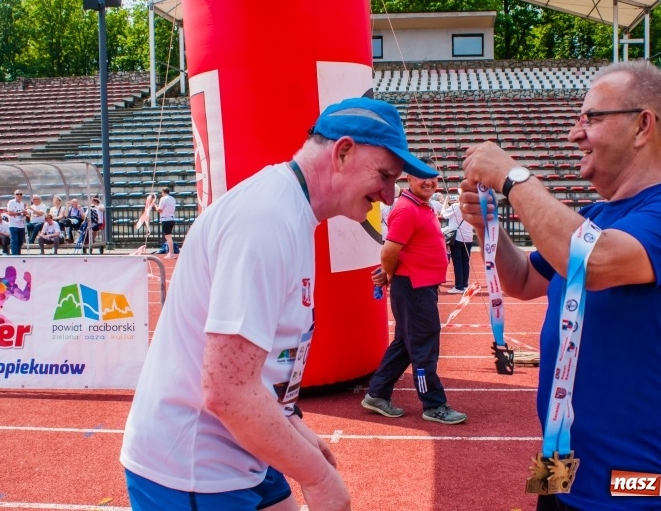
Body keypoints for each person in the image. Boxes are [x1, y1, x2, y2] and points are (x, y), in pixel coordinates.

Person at [120, 97, 436, 511]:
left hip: (235, 444)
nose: (390, 195)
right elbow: (228, 392)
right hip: (194, 467)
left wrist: (294, 429)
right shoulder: (267, 220)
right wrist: (318, 478)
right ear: (343, 152)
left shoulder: (289, 209)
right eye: (384, 176)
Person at [459, 61, 661, 510]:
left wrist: (515, 178)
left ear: (643, 125)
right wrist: (491, 229)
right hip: (559, 464)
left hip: (639, 485)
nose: (574, 134)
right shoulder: (597, 216)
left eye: (591, 118)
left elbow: (596, 262)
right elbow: (523, 279)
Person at [363, 156, 467, 425]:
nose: (429, 181)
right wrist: (388, 274)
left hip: (419, 287)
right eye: (422, 175)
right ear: (408, 178)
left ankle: (377, 394)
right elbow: (389, 251)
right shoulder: (407, 209)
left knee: (405, 344)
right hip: (414, 288)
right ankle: (433, 404)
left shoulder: (422, 205)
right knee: (423, 347)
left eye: (433, 176)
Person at [441, 191, 474, 294]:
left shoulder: (456, 206)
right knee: (465, 262)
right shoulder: (473, 207)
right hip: (468, 237)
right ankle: (464, 285)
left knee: (458, 263)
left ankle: (459, 286)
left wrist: (445, 202)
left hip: (457, 237)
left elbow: (443, 214)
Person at [154, 187, 177, 259]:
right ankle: (171, 252)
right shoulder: (172, 198)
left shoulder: (163, 199)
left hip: (166, 219)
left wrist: (155, 206)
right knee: (168, 236)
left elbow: (160, 210)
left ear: (163, 192)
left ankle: (171, 253)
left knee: (168, 237)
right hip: (172, 218)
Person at [6, 190, 27, 255]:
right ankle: (15, 255)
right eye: (17, 194)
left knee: (20, 242)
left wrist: (24, 213)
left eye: (20, 194)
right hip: (13, 224)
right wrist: (20, 212)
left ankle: (18, 254)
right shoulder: (11, 202)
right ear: (14, 195)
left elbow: (22, 214)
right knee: (14, 241)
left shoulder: (22, 204)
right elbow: (10, 213)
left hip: (21, 224)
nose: (19, 195)